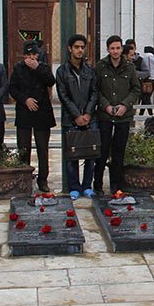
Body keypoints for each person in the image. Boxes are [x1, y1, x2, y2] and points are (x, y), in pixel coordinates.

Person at [95, 35, 141, 193]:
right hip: (105, 116)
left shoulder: (129, 67)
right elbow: (96, 90)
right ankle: (98, 185)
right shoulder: (100, 66)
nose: (115, 51)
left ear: (122, 49)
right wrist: (106, 106)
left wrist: (125, 105)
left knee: (118, 152)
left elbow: (136, 89)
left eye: (118, 48)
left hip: (123, 116)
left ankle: (116, 185)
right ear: (108, 49)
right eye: (112, 48)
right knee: (102, 151)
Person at [10, 40, 56, 193]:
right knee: (23, 148)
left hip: (42, 112)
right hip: (24, 112)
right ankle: (24, 179)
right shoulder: (18, 68)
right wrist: (25, 100)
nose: (31, 58)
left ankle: (43, 179)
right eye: (28, 55)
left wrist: (38, 69)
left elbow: (51, 81)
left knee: (43, 148)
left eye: (34, 55)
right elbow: (12, 88)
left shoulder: (43, 67)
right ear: (24, 55)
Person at [57, 34, 99, 199]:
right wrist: (76, 115)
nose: (80, 50)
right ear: (70, 49)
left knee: (91, 153)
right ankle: (74, 186)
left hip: (90, 118)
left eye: (82, 47)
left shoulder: (90, 71)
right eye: (77, 47)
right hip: (71, 118)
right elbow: (63, 95)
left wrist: (88, 113)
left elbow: (95, 93)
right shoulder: (62, 71)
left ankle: (87, 186)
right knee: (71, 154)